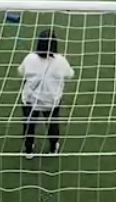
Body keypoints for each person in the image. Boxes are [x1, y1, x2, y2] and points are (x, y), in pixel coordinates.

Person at [18, 30, 74, 158]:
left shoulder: (30, 58)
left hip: (30, 100)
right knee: (52, 124)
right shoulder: (60, 61)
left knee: (29, 125)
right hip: (51, 100)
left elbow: (21, 72)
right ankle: (53, 148)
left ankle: (29, 150)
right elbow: (70, 74)